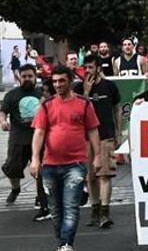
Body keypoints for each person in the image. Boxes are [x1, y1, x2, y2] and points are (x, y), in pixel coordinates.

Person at [30, 66, 102, 251]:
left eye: (62, 81)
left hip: (75, 164)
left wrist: (97, 157)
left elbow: (93, 131)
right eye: (54, 81)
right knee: (55, 210)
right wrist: (35, 159)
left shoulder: (84, 104)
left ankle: (67, 244)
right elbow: (39, 133)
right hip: (50, 164)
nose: (58, 85)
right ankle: (63, 241)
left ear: (70, 81)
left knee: (71, 206)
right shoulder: (46, 106)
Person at [0, 64, 51, 221]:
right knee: (12, 168)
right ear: (19, 78)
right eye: (24, 77)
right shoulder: (12, 95)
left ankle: (41, 199)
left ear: (35, 77)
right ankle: (15, 189)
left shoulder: (43, 92)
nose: (27, 79)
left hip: (39, 138)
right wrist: (2, 122)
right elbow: (2, 112)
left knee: (41, 172)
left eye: (30, 76)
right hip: (18, 138)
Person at [74, 55, 121, 229]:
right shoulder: (78, 88)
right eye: (85, 67)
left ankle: (104, 212)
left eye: (91, 67)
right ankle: (94, 210)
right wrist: (86, 92)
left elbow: (116, 108)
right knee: (90, 177)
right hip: (85, 138)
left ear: (99, 68)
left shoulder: (109, 86)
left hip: (105, 134)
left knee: (105, 174)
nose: (87, 71)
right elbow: (78, 112)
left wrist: (118, 132)